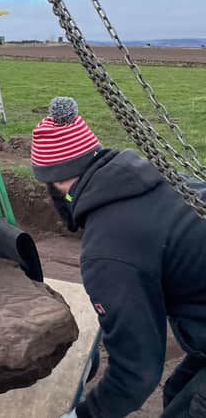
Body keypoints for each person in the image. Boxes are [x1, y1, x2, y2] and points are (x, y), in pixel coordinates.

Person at [31, 97, 206, 418]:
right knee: (178, 390)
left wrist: (81, 416)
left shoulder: (107, 251)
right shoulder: (157, 177)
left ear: (55, 182)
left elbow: (136, 372)